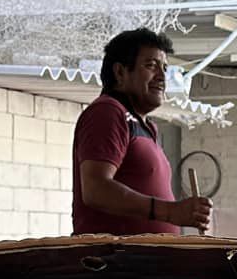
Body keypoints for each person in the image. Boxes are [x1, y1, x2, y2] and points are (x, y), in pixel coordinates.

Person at [72, 28, 212, 236]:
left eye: (164, 68)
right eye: (151, 66)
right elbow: (95, 189)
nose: (162, 77)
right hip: (115, 262)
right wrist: (169, 211)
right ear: (120, 72)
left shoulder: (147, 127)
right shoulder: (108, 111)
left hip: (143, 262)